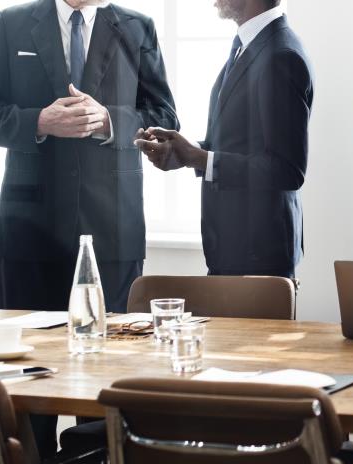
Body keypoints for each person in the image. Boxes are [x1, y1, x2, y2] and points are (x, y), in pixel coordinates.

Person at [0, 0, 178, 313]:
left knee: (113, 353)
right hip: (30, 230)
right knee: (33, 355)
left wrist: (108, 120)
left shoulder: (138, 26)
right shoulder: (11, 23)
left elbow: (165, 118)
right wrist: (40, 121)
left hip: (114, 228)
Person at [134, 0, 312, 279]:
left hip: (259, 258)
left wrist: (199, 158)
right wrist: (184, 154)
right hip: (234, 252)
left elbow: (287, 170)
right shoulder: (251, 44)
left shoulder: (281, 54)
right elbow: (241, 143)